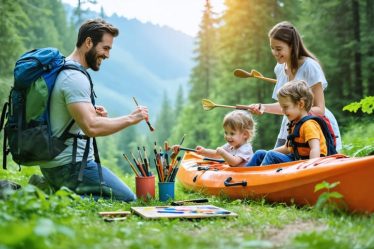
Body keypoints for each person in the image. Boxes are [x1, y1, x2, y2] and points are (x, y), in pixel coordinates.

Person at [38, 19, 149, 202]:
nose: (107, 55)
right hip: (70, 167)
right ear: (88, 42)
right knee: (127, 198)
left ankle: (50, 188)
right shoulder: (74, 78)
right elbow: (91, 127)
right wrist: (130, 118)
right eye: (105, 48)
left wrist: (92, 113)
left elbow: (74, 118)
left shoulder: (64, 68)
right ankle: (51, 196)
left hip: (56, 164)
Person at [247, 21, 341, 151]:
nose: (274, 52)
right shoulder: (280, 68)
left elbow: (320, 109)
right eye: (272, 48)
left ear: (292, 46)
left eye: (279, 49)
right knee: (271, 161)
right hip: (290, 125)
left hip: (315, 126)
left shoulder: (310, 66)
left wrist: (296, 111)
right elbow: (285, 106)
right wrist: (263, 107)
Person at [247, 80, 327, 166]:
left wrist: (311, 167)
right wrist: (267, 153)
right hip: (296, 159)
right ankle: (243, 173)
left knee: (271, 155)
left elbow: (315, 148)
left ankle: (259, 178)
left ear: (301, 104)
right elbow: (287, 148)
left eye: (285, 106)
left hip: (307, 163)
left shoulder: (309, 125)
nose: (282, 110)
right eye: (281, 107)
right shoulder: (294, 124)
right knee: (261, 153)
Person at [174, 110, 255, 167]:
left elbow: (234, 162)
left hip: (246, 175)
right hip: (236, 174)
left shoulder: (246, 148)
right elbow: (216, 154)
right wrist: (204, 151)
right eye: (226, 132)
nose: (227, 136)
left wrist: (223, 152)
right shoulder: (230, 146)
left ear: (245, 134)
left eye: (232, 133)